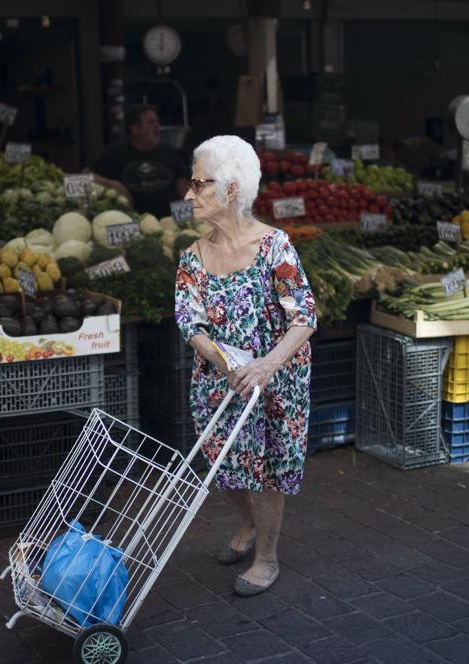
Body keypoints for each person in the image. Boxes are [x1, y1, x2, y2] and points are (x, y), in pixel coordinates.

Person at [174, 135, 316, 596]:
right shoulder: (193, 257)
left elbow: (304, 316)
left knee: (266, 468)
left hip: (274, 383)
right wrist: (223, 361)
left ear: (231, 190)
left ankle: (267, 558)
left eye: (199, 184)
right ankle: (249, 523)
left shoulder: (275, 246)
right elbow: (187, 320)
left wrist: (265, 366)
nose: (188, 195)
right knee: (224, 463)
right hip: (220, 383)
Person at [92, 104, 189, 216]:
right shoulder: (115, 153)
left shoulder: (169, 152)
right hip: (131, 222)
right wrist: (113, 184)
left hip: (170, 223)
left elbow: (182, 187)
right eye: (150, 122)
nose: (157, 126)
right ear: (135, 129)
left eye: (157, 122)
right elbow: (86, 176)